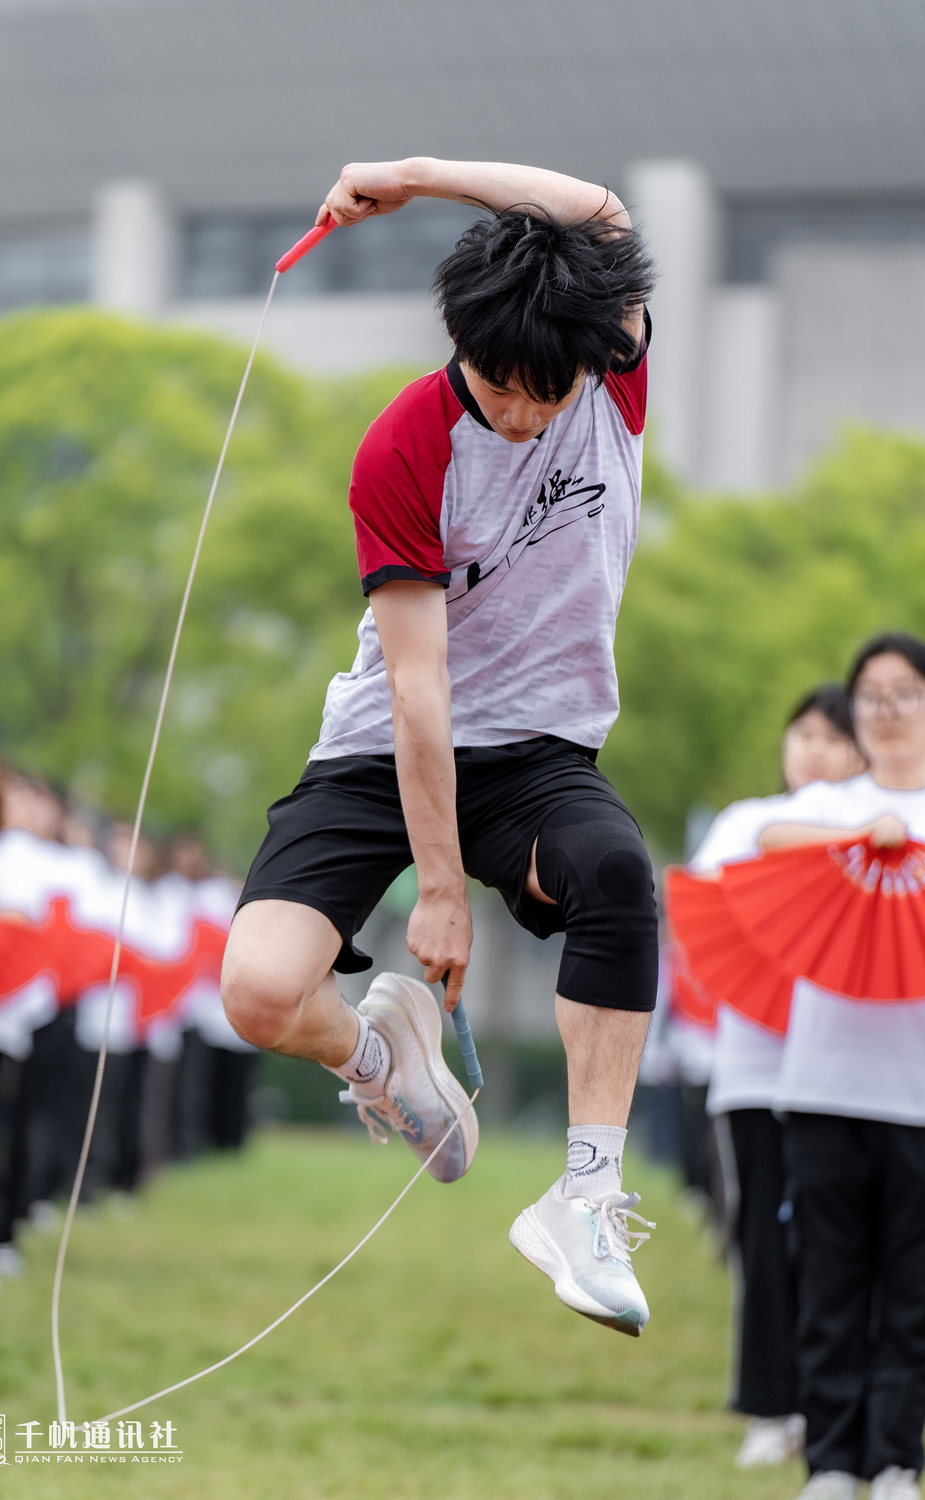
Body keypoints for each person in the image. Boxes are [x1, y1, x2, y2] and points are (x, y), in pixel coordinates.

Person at [223, 157, 659, 1336]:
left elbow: (603, 217)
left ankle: (585, 1195)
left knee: (616, 877)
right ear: (457, 348)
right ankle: (380, 1058)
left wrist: (410, 175)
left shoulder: (609, 378)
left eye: (544, 394)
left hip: (539, 754)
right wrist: (436, 888)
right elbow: (420, 687)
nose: (520, 413)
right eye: (497, 387)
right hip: (386, 748)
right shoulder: (404, 447)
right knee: (258, 993)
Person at [759, 635, 925, 1500]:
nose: (887, 710)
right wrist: (866, 829)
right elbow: (771, 837)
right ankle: (829, 1461)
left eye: (905, 693)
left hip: (917, 1093)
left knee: (911, 1287)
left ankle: (895, 1457)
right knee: (827, 1277)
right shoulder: (831, 803)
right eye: (872, 694)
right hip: (821, 1082)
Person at [689, 684, 865, 1469]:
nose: (814, 750)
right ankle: (771, 1403)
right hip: (755, 1069)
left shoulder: (880, 829)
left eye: (833, 736)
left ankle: (843, 1404)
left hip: (849, 1070)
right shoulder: (743, 824)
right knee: (762, 1236)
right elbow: (710, 922)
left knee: (844, 1244)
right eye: (802, 734)